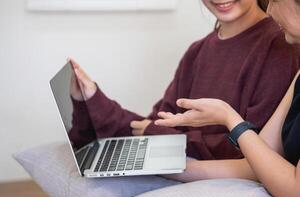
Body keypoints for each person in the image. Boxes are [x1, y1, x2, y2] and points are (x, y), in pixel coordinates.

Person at [69, 0, 299, 163]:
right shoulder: (197, 51)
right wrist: (89, 99)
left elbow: (256, 148)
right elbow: (156, 125)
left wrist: (167, 139)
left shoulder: (282, 44)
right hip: (186, 159)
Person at [155, 1, 300, 197]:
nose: (269, 10)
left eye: (275, 0)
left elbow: (295, 191)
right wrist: (171, 168)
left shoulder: (277, 47)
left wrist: (230, 119)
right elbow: (256, 162)